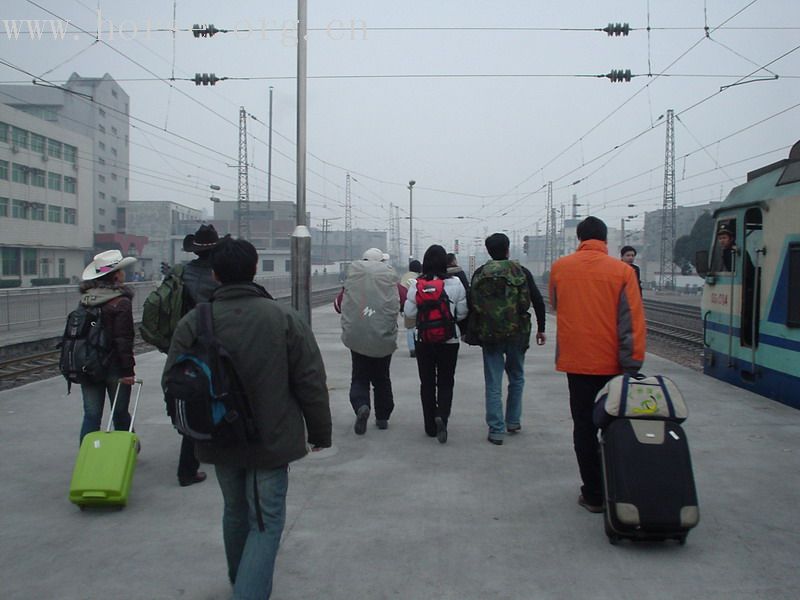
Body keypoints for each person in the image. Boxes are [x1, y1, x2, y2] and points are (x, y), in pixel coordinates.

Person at [163, 236, 331, 599]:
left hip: (219, 438)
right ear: (255, 269)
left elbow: (172, 382)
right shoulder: (284, 318)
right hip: (272, 439)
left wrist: (193, 428)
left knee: (236, 511)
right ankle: (248, 590)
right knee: (266, 522)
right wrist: (320, 432)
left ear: (215, 274)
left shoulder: (195, 322)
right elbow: (310, 380)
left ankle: (242, 580)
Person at [549, 217, 646, 513]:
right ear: (605, 240)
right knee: (617, 427)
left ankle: (593, 495)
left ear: (579, 238)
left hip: (577, 363)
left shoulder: (560, 268)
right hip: (614, 365)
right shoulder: (623, 271)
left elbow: (556, 304)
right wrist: (633, 363)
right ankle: (621, 490)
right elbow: (632, 320)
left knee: (584, 428)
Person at [470, 233, 546, 446]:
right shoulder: (520, 271)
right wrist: (541, 328)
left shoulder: (480, 272)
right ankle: (513, 421)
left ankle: (496, 430)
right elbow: (537, 301)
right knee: (517, 377)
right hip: (517, 332)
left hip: (490, 334)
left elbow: (471, 303)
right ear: (508, 249)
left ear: (488, 250)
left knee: (493, 382)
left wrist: (473, 331)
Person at [164, 224, 222, 487]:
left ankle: (188, 465)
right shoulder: (219, 276)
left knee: (192, 394)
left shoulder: (182, 273)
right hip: (214, 345)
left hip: (186, 342)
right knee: (220, 392)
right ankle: (199, 461)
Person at [403, 245, 468, 443]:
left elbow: (409, 313)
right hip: (449, 340)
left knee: (427, 382)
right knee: (446, 380)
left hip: (424, 339)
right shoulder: (456, 283)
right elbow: (463, 312)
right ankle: (443, 416)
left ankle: (430, 426)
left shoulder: (417, 284)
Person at [335, 248, 400, 433]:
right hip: (382, 337)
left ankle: (362, 405)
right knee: (382, 378)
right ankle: (382, 417)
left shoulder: (353, 281)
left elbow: (338, 305)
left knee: (360, 376)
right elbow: (402, 300)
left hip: (358, 337)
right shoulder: (390, 280)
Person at [77, 250, 138, 444]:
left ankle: (86, 458)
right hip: (114, 367)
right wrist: (128, 371)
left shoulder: (85, 300)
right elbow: (123, 340)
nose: (124, 273)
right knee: (120, 412)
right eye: (121, 270)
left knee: (91, 415)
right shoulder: (121, 302)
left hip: (89, 364)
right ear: (115, 275)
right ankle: (127, 450)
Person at [399, 259, 422, 358]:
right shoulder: (419, 277)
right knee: (417, 328)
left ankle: (411, 349)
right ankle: (418, 347)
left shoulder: (403, 277)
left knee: (409, 328)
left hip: (405, 305)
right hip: (417, 304)